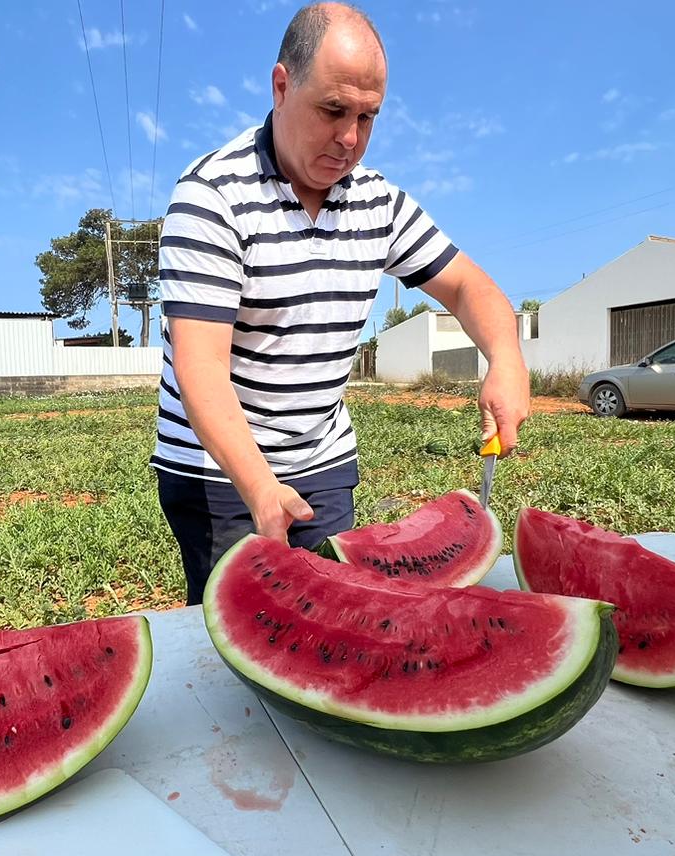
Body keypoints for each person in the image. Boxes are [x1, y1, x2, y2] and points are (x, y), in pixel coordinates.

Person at [152, 2, 529, 605]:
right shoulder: (211, 198)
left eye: (367, 117)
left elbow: (468, 287)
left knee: (340, 623)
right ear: (282, 86)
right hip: (218, 470)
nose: (350, 138)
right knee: (238, 649)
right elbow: (201, 373)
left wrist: (505, 357)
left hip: (323, 460)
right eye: (332, 110)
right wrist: (259, 486)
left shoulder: (378, 203)